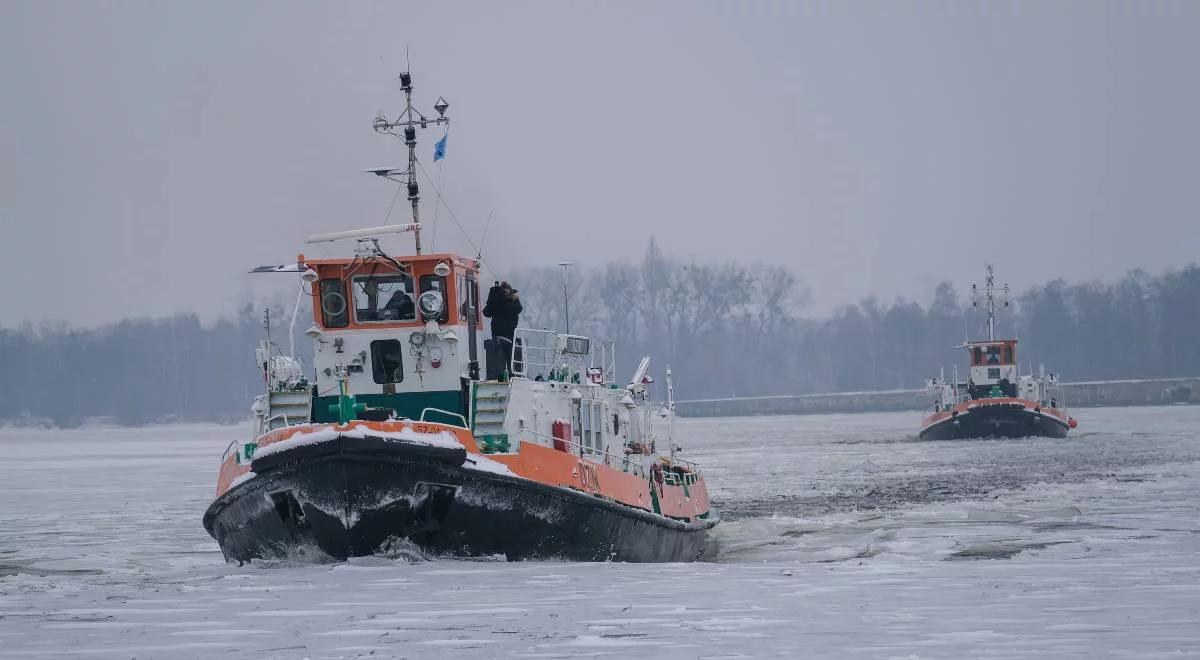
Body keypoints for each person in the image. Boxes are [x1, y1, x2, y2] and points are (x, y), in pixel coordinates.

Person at [483, 281, 522, 375]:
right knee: (500, 363)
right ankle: (501, 381)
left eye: (506, 291)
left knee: (510, 361)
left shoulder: (513, 301)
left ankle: (512, 379)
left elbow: (517, 309)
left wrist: (502, 300)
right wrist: (493, 298)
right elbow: (486, 313)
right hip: (498, 336)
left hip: (509, 335)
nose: (504, 293)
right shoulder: (496, 301)